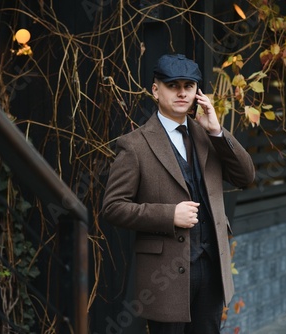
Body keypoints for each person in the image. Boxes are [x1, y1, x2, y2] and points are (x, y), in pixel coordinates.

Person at [102, 54, 255, 334]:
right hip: (165, 275)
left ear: (198, 92)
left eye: (189, 85)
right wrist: (169, 214)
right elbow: (113, 207)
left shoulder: (206, 135)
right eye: (173, 85)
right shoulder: (134, 145)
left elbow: (246, 177)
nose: (182, 92)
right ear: (155, 89)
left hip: (211, 267)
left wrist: (218, 131)